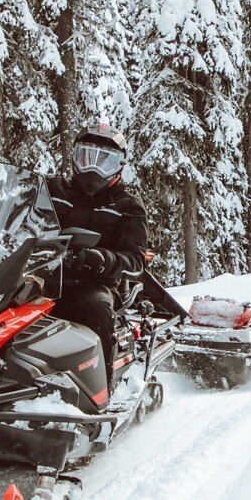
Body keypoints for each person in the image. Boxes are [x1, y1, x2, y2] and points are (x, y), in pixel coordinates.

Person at [47, 124, 149, 389]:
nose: (93, 168)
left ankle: (102, 389)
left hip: (92, 284)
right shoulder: (52, 190)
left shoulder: (127, 206)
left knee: (94, 308)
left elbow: (135, 260)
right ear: (75, 157)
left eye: (104, 160)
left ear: (119, 165)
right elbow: (12, 215)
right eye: (86, 156)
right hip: (41, 276)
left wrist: (102, 259)